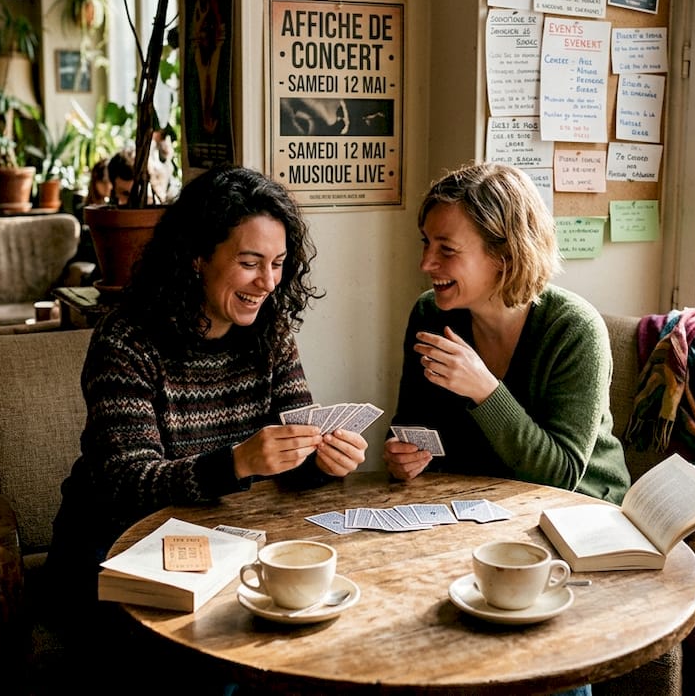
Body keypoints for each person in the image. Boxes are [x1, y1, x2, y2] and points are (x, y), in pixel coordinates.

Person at [49, 164, 367, 611]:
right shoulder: (127, 340)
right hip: (114, 550)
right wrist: (236, 463)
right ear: (197, 256)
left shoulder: (270, 334)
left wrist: (325, 461)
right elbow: (128, 483)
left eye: (277, 264)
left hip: (218, 541)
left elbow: (293, 450)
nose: (268, 283)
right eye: (249, 262)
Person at [384, 162, 630, 506]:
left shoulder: (574, 330)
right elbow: (410, 428)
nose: (426, 263)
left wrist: (485, 389)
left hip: (578, 513)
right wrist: (402, 458)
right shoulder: (429, 314)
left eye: (447, 249)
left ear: (504, 255)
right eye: (426, 243)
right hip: (472, 505)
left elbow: (560, 476)